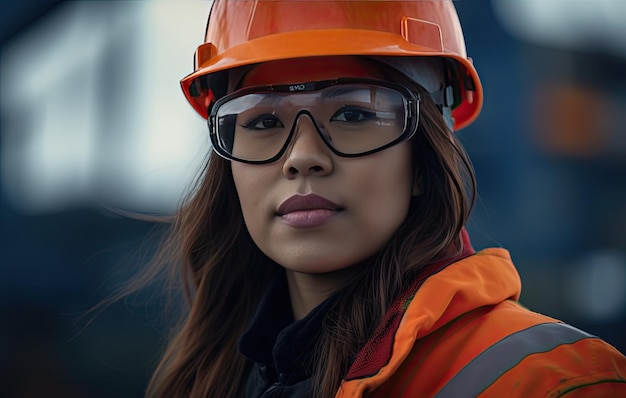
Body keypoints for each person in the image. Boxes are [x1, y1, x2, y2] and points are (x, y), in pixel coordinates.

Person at [140, 1, 626, 397]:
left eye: (353, 114)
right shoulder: (207, 381)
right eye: (263, 122)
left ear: (425, 160)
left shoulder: (556, 382)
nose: (302, 158)